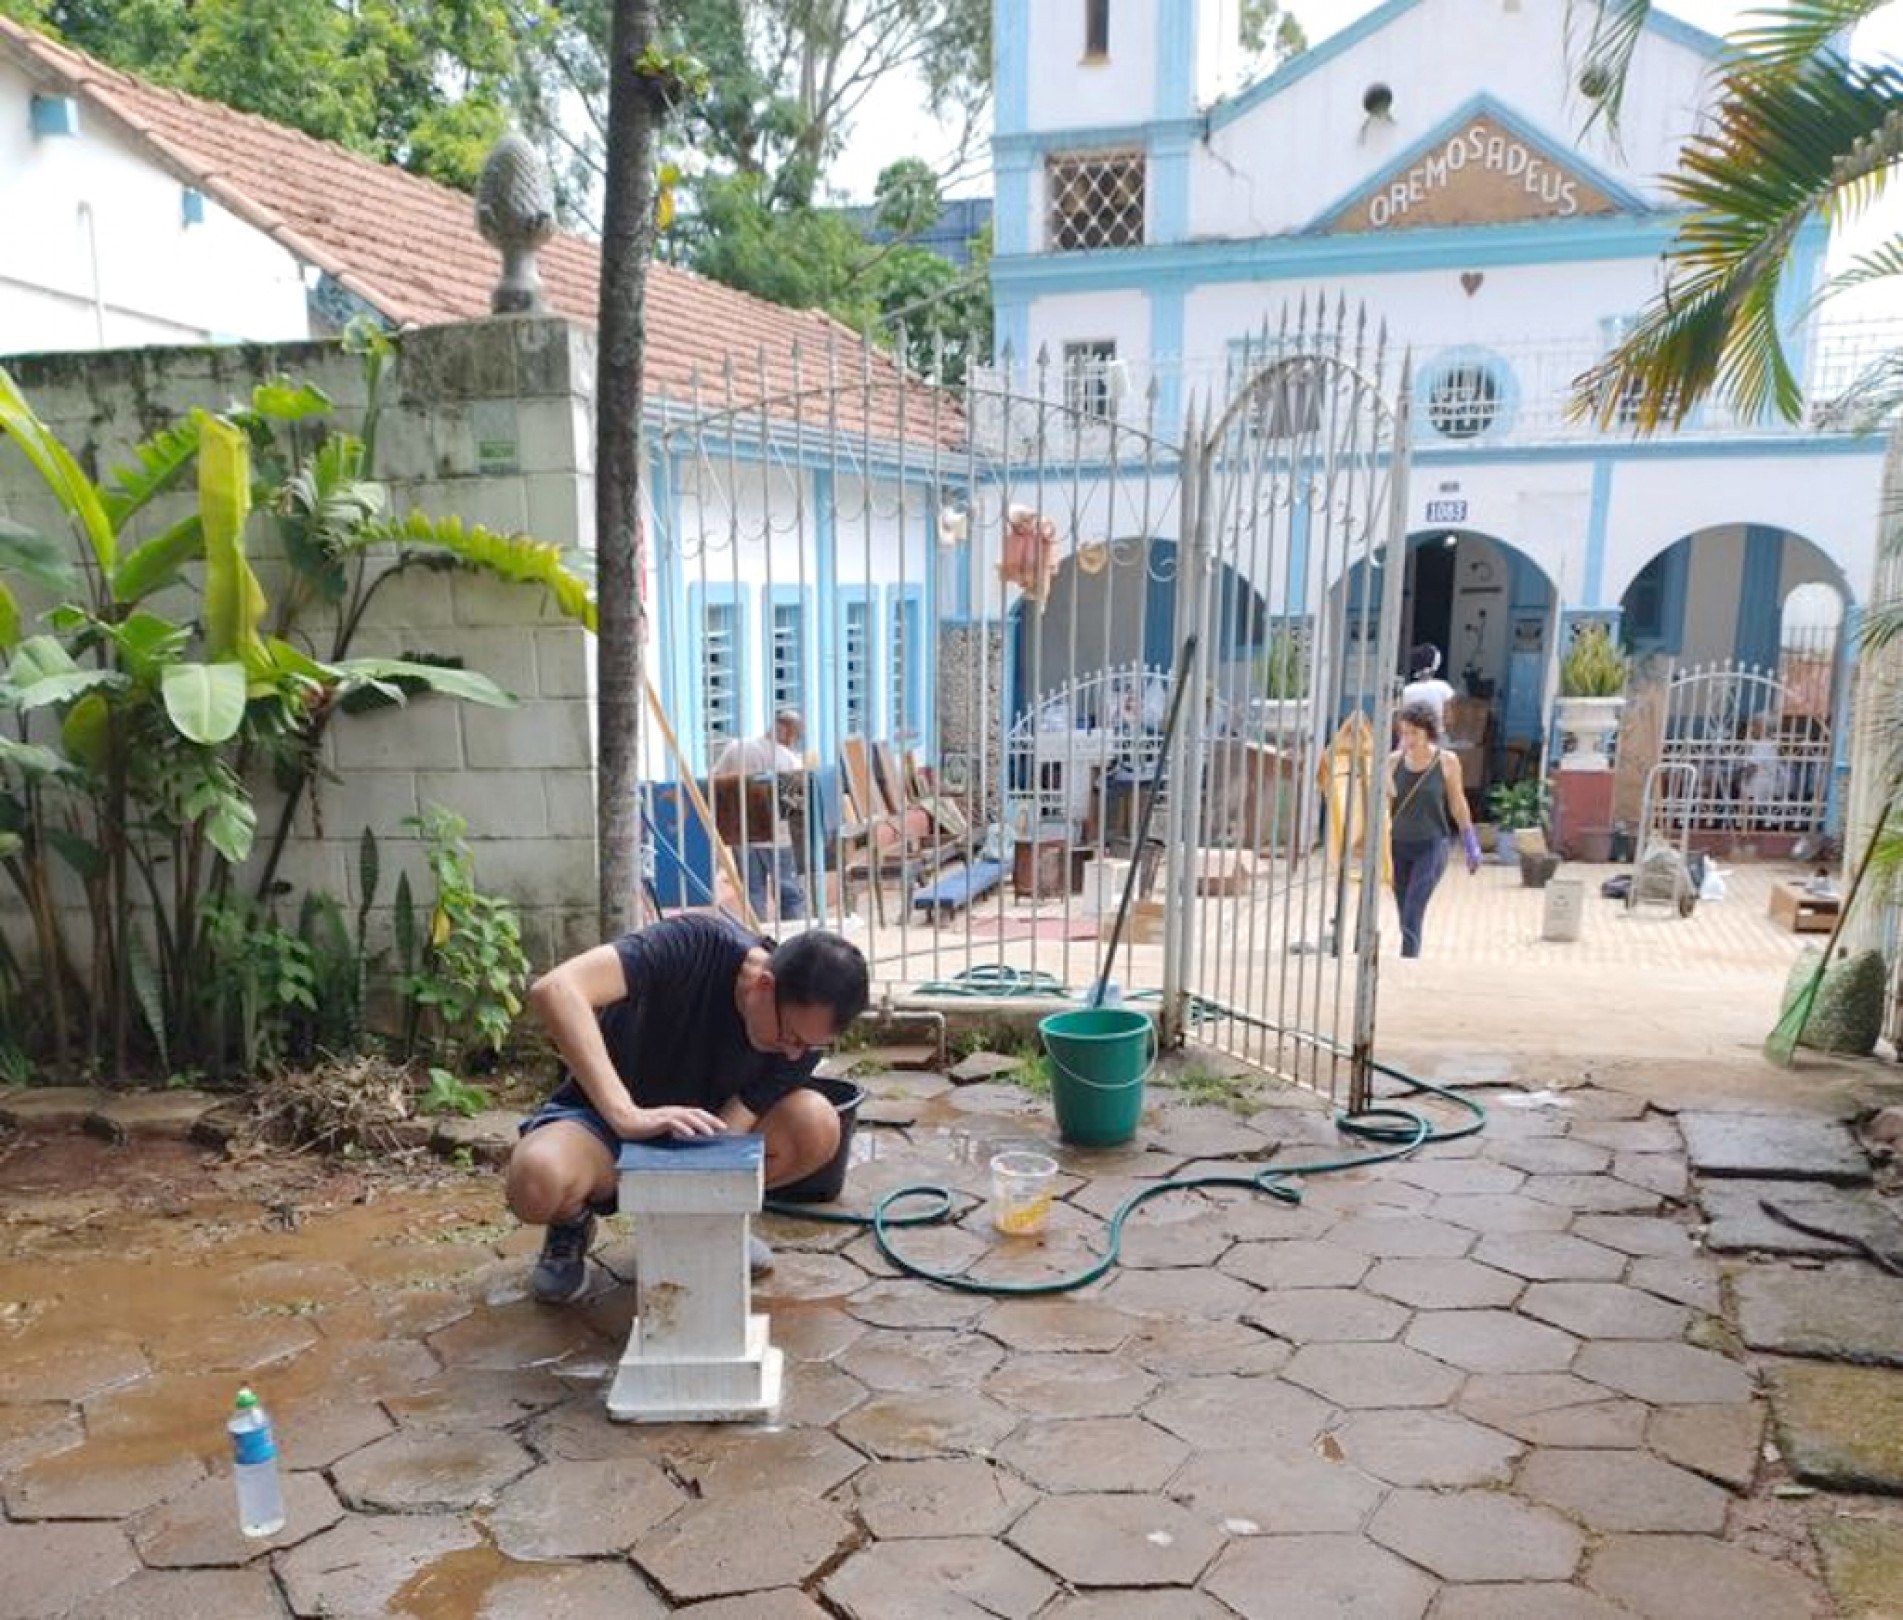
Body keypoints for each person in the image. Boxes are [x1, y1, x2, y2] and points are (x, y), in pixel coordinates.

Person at [505, 915, 870, 1303]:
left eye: (809, 1047)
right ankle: (571, 1224)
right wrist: (626, 1115)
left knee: (817, 1124)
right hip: (604, 1127)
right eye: (791, 1037)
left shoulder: (798, 1043)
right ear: (765, 986)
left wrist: (707, 1189)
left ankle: (710, 1225)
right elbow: (556, 989)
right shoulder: (693, 944)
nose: (795, 1053)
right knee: (535, 1179)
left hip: (697, 1138)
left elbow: (732, 1126)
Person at [1387, 699, 1481, 958]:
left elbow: (1458, 804)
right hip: (1398, 845)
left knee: (1414, 905)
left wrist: (1470, 842)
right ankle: (1410, 954)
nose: (1408, 738)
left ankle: (1408, 961)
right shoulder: (1393, 762)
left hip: (1431, 845)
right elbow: (1383, 807)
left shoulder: (1447, 762)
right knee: (1403, 907)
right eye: (1404, 732)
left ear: (1428, 732)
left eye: (1414, 733)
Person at [711, 708, 807, 922]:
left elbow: (715, 782)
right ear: (790, 734)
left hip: (741, 835)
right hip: (778, 839)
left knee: (753, 892)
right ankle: (791, 940)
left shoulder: (736, 748)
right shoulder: (790, 761)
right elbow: (797, 808)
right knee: (789, 893)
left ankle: (758, 937)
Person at [1399, 643, 1458, 730]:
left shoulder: (1406, 691)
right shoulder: (1444, 688)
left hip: (1413, 737)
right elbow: (1449, 719)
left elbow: (1401, 718)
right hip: (1437, 738)